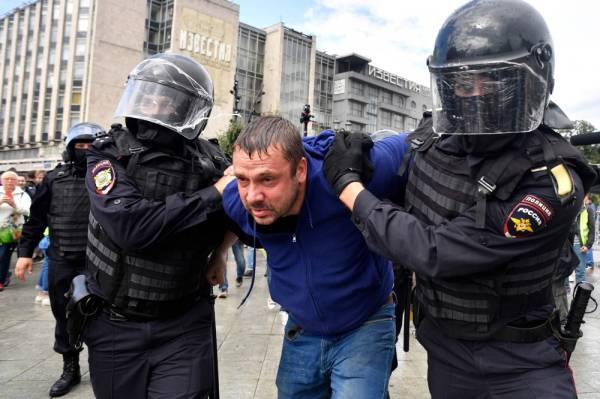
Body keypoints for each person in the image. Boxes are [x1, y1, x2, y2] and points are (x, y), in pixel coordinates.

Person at [323, 0, 597, 397]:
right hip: (446, 351)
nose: (475, 95)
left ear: (530, 82)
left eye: (493, 82)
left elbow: (434, 251)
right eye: (465, 84)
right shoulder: (433, 144)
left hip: (522, 361)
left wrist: (349, 188)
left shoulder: (550, 182)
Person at [223, 116, 409, 398]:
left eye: (267, 179)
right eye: (243, 180)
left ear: (300, 169)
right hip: (303, 329)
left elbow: (418, 143)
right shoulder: (238, 201)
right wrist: (219, 252)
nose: (252, 196)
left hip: (365, 320)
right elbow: (224, 207)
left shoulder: (345, 173)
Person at [81, 52, 233, 398]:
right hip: (116, 324)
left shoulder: (210, 160)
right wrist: (213, 195)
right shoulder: (108, 153)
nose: (150, 102)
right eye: (146, 93)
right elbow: (130, 227)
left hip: (185, 323)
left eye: (162, 97)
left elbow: (241, 203)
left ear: (185, 108)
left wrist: (221, 250)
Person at [14, 122, 101, 397]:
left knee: (101, 316)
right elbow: (37, 218)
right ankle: (70, 367)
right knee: (64, 315)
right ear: (69, 148)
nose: (85, 151)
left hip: (98, 260)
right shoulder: (53, 179)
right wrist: (25, 253)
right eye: (80, 146)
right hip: (62, 257)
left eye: (91, 146)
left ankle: (101, 368)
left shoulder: (108, 179)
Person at [0, 171, 31, 291]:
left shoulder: (22, 194)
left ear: (16, 181)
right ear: (2, 180)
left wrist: (15, 205)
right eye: (6, 179)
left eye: (12, 179)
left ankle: (1, 280)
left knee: (3, 255)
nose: (9, 181)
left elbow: (28, 211)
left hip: (12, 231)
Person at [572, 194, 595, 284]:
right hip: (566, 243)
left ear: (586, 197)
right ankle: (563, 295)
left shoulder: (588, 209)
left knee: (580, 272)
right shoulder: (569, 206)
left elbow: (592, 230)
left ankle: (579, 297)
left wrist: (588, 245)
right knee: (563, 272)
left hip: (580, 245)